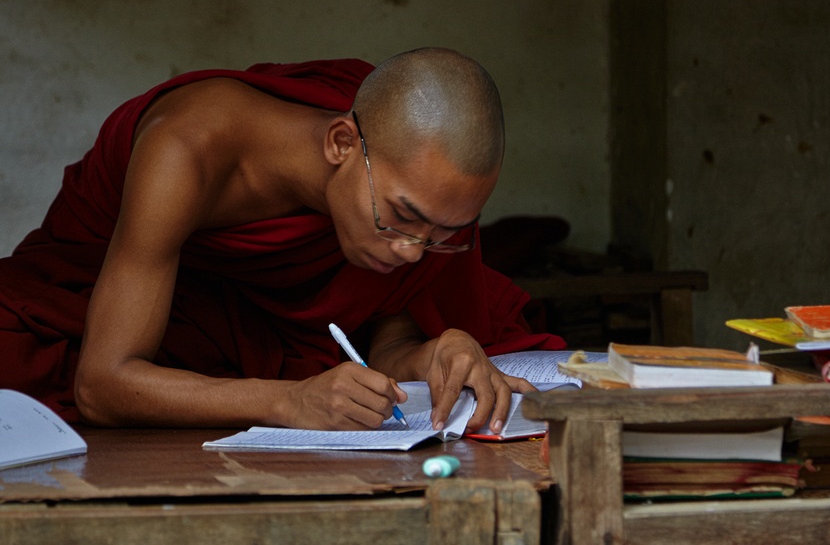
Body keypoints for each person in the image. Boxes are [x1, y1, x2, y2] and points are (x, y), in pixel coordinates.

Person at [0, 47, 564, 432]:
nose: (412, 250)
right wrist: (287, 400)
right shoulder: (185, 151)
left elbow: (381, 345)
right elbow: (102, 384)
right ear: (341, 143)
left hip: (280, 349)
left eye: (445, 233)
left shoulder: (400, 178)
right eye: (401, 215)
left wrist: (434, 352)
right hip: (129, 317)